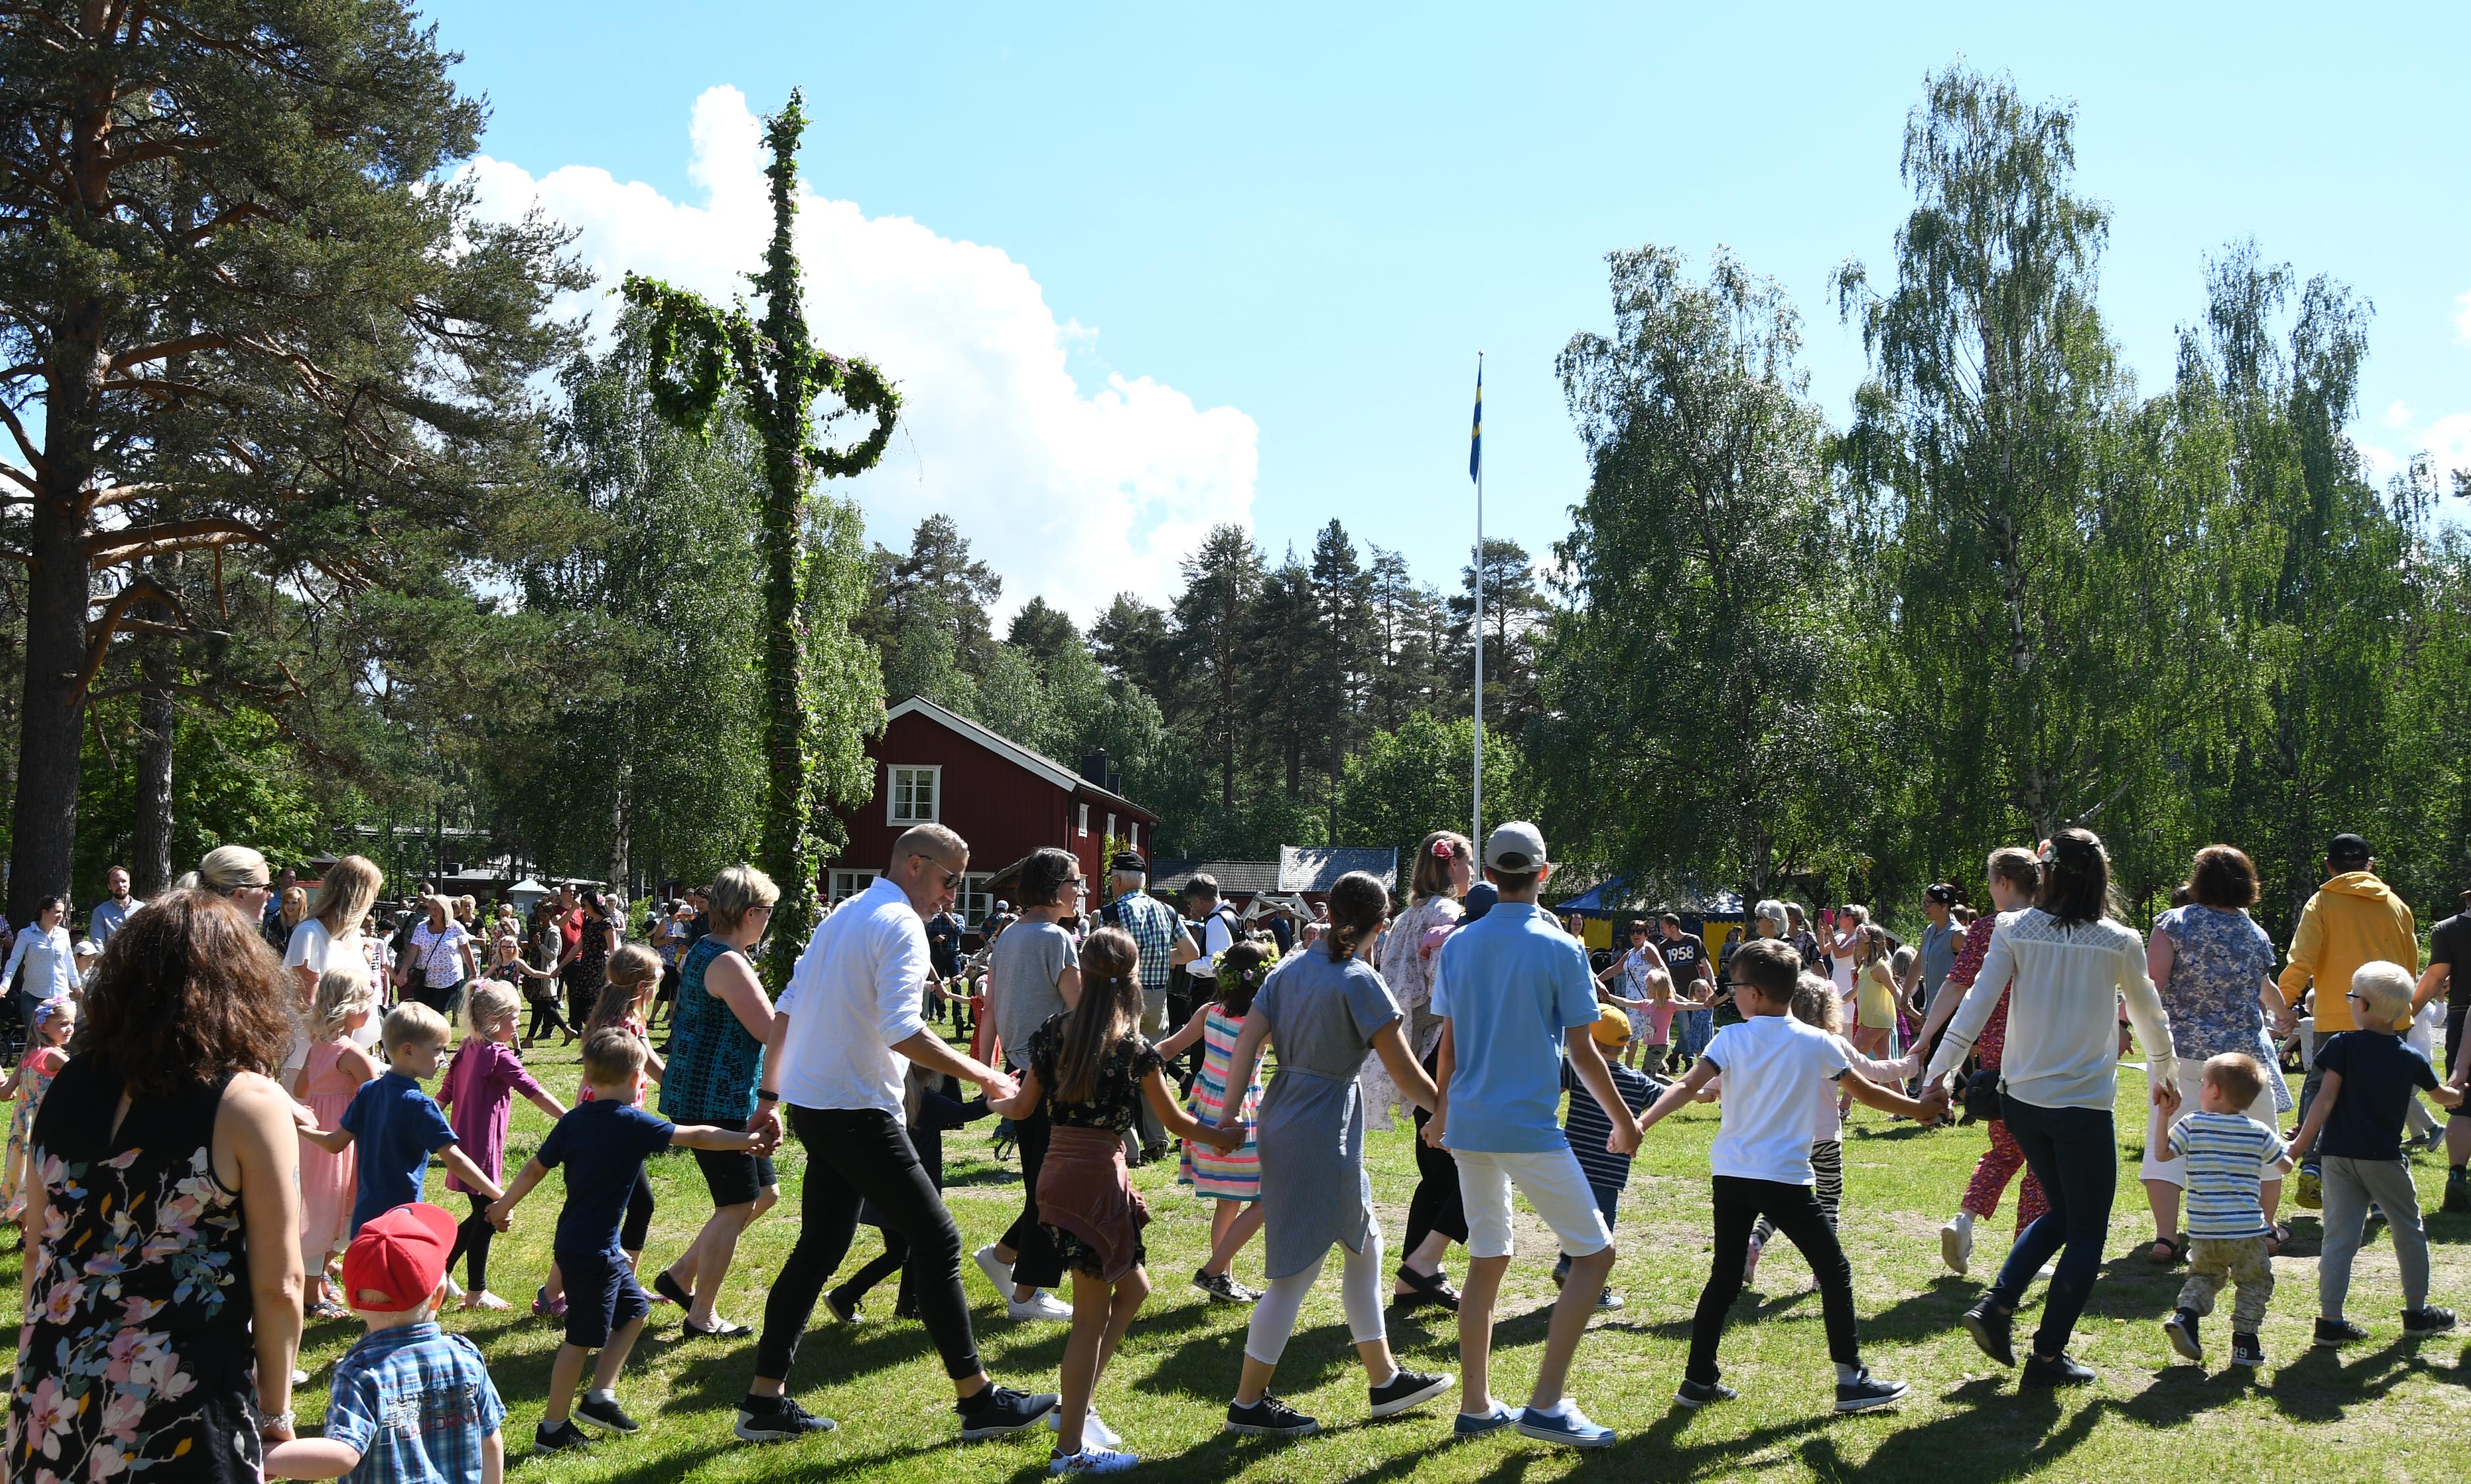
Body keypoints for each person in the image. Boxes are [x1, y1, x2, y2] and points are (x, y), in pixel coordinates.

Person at [735, 824, 1056, 1443]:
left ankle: (763, 1402)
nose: (952, 897)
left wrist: (772, 1097)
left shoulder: (843, 917)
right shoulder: (902, 925)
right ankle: (979, 1401)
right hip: (855, 1109)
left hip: (818, 1107)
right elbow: (902, 1030)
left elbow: (786, 1010)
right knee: (937, 1240)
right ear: (915, 864)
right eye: (949, 881)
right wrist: (988, 1074)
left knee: (820, 1249)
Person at [5, 890, 304, 1483]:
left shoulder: (65, 1086)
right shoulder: (248, 1103)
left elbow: (38, 1247)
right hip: (183, 1397)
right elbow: (281, 1284)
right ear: (244, 985)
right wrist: (275, 1409)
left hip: (53, 1387)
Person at [1920, 829, 2179, 1387]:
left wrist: (1939, 1070)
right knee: (2087, 1230)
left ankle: (1997, 1305)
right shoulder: (2119, 941)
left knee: (2061, 1213)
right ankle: (2047, 1355)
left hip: (2022, 1104)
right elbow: (2150, 1017)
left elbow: (1976, 1004)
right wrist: (2166, 1073)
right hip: (2083, 1107)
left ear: (2050, 873)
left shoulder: (2014, 929)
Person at [989, 927, 1244, 1473]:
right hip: (1096, 1181)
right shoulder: (1132, 1047)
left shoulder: (1052, 1033)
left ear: (1082, 971)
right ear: (1132, 979)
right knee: (1089, 1318)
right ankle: (1070, 1452)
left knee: (1134, 1290)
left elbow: (1020, 1109)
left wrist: (995, 1098)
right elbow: (1174, 1122)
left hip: (1056, 1173)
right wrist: (1224, 1136)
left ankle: (1075, 1408)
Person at [1634, 940, 1920, 1413]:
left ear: (1758, 993)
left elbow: (1687, 1086)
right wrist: (1919, 1109)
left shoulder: (1730, 1039)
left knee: (1723, 1281)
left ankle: (1698, 1381)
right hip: (1784, 1180)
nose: (1731, 993)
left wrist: (1643, 1124)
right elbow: (1868, 1095)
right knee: (1835, 1270)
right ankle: (1852, 1381)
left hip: (1730, 1177)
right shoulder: (1817, 1043)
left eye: (1736, 985)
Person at [1217, 870, 1450, 1440]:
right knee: (1295, 1275)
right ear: (1379, 924)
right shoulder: (1359, 980)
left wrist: (1230, 1113)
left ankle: (1385, 1379)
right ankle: (1248, 1403)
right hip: (1321, 1129)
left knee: (1365, 1245)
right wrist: (1448, 1110)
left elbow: (1248, 1042)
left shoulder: (1290, 967)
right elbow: (1404, 1072)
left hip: (1288, 1116)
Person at [1427, 823, 1636, 1448]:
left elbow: (1450, 1042)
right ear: (1544, 874)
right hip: (1524, 1126)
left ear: (1488, 875)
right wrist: (1624, 1120)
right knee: (1595, 1256)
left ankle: (1477, 1404)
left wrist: (1441, 1112)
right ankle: (1544, 1405)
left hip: (1468, 1123)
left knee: (1488, 1259)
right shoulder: (1561, 946)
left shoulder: (1460, 945)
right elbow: (1585, 1051)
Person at [489, 1029, 771, 1452]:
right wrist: (746, 1141)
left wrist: (502, 1204)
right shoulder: (632, 1123)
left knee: (635, 1311)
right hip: (592, 1252)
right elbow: (696, 1135)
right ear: (639, 1078)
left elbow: (533, 1168)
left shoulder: (573, 1121)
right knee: (580, 1339)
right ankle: (552, 1428)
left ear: (588, 1075)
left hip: (585, 1245)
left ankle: (600, 1396)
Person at [261, 1203, 507, 1484]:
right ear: (439, 1296)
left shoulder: (361, 1373)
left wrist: (259, 1454)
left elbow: (343, 1455)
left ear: (353, 1303)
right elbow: (491, 1440)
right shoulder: (466, 1356)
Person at [2286, 960, 2461, 1347]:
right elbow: (2443, 1098)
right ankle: (2417, 1314)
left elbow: (2324, 1099)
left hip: (2335, 1157)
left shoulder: (2341, 1045)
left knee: (2338, 1238)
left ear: (2361, 1005)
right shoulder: (2410, 1058)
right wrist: (2459, 1091)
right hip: (2383, 1159)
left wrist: (2299, 1147)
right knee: (2408, 1231)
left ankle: (2330, 1320)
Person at [2139, 845, 2290, 1264]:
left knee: (2165, 1137)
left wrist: (2120, 1020)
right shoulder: (2255, 933)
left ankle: (2166, 1238)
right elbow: (2264, 985)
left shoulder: (2174, 923)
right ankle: (2265, 1230)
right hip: (2245, 1058)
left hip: (2182, 1054)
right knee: (2263, 1138)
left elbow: (2153, 982)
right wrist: (2284, 1016)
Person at [653, 864, 786, 1337]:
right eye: (769, 911)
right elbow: (771, 1031)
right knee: (734, 1204)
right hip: (716, 1101)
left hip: (719, 1096)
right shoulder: (727, 962)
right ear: (751, 913)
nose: (770, 918)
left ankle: (680, 1276)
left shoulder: (711, 951)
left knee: (764, 1194)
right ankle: (701, 1313)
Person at [1912, 848, 2048, 1276]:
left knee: (2003, 1151)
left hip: (1995, 1058)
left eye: (1991, 882)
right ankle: (2027, 1251)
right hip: (2044, 1054)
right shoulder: (2055, 929)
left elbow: (1955, 987)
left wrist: (1926, 1036)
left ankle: (1964, 1221)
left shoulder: (1988, 929)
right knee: (2044, 1159)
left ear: (2004, 883)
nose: (1989, 891)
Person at [1743, 975, 1921, 1287]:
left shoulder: (1781, 1043)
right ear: (1828, 1009)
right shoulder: (1833, 1043)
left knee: (1783, 1201)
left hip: (1788, 1139)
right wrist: (1909, 1066)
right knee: (1828, 1202)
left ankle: (1754, 1244)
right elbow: (1874, 1072)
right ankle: (1821, 1273)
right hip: (1826, 1139)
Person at [975, 848, 1088, 1324]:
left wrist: (986, 1075)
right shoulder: (1057, 941)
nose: (1080, 890)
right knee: (1054, 1192)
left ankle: (1002, 1257)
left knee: (1044, 1186)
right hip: (1054, 1080)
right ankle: (1026, 1296)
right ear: (1052, 887)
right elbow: (1084, 1017)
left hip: (1019, 1077)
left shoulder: (1008, 936)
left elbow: (991, 1016)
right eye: (1075, 882)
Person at [2277, 831, 2416, 1205]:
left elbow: (2301, 959)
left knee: (2320, 1088)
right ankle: (2379, 1191)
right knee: (2382, 1098)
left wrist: (2284, 1002)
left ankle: (2312, 1165)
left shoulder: (2322, 902)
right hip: (2390, 1017)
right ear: (2370, 865)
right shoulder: (2396, 905)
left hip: (2337, 1013)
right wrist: (2406, 1011)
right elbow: (2410, 964)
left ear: (2329, 865)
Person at [300, 1002, 504, 1238]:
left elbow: (334, 1143)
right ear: (409, 1051)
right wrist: (499, 1196)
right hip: (401, 1223)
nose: (443, 1059)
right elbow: (456, 1161)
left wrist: (300, 1127)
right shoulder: (421, 1106)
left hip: (365, 1222)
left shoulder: (368, 1091)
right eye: (438, 1050)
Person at [1377, 830, 1473, 1315]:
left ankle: (1410, 1282)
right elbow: (1448, 987)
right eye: (1469, 862)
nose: (1473, 873)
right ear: (1451, 865)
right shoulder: (1449, 916)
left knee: (1435, 1172)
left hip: (1413, 1052)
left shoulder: (1407, 917)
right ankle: (1421, 1268)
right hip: (1443, 1048)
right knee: (1470, 1168)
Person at [1155, 937, 1274, 1302]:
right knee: (1265, 1194)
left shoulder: (1209, 1012)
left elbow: (1170, 1048)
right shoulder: (1265, 1023)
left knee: (1228, 1200)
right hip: (1242, 1115)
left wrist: (1131, 1059)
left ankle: (1221, 1277)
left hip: (1205, 1111)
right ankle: (1218, 1273)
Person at [438, 983, 567, 1312]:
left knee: (479, 1214)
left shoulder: (468, 1047)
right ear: (495, 1020)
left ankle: (441, 1269)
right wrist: (569, 1118)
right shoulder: (497, 1055)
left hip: (463, 1146)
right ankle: (476, 1293)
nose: (519, 1023)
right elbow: (533, 1091)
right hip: (481, 1151)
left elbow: (446, 1090)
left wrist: (432, 1110)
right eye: (514, 1017)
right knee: (487, 1217)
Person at [829, 1061, 990, 1323]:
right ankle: (846, 1296)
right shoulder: (926, 1101)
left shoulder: (888, 1099)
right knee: (904, 1252)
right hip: (910, 1192)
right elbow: (965, 1113)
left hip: (882, 1189)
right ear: (931, 1075)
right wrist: (993, 1097)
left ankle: (906, 1306)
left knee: (907, 1250)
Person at [2159, 1054, 2292, 1371]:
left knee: (2205, 1275)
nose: (2202, 1089)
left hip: (2204, 1230)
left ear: (2215, 1091)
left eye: (2204, 1084)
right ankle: (2245, 1344)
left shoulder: (2192, 1123)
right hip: (2246, 1231)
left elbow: (2163, 1154)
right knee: (2254, 1283)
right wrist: (2287, 1145)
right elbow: (2284, 1166)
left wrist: (2164, 1116)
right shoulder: (2257, 1130)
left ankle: (2187, 1315)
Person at [1552, 1006, 1659, 1309]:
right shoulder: (1637, 1081)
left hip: (1573, 1165)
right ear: (1624, 1044)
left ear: (1590, 1041)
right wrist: (1705, 1091)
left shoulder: (1574, 1067)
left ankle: (1568, 1263)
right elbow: (1671, 1094)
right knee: (1601, 1230)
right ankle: (1590, 1289)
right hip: (1609, 1172)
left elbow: (1548, 1089)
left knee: (1577, 1219)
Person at [292, 969, 382, 1318]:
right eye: (367, 1004)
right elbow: (377, 1098)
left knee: (318, 1208)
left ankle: (316, 1273)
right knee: (339, 1210)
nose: (371, 1011)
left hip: (314, 1136)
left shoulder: (320, 1046)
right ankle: (312, 1296)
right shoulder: (351, 1053)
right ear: (350, 1008)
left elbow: (301, 1090)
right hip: (341, 1143)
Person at [1097, 852, 1200, 1143]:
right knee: (1155, 1068)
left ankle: (1129, 1144)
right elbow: (1190, 953)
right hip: (1157, 997)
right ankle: (1157, 1139)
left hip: (1122, 997)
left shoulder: (1109, 914)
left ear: (1117, 881)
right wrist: (1158, 959)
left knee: (1120, 1069)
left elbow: (1100, 961)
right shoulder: (1166, 910)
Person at [0, 995, 74, 1223]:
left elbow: (4, 1094)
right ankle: (30, 1230)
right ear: (43, 1025)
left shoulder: (29, 1055)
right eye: (62, 1023)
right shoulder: (55, 1057)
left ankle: (24, 1223)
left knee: (26, 1172)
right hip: (46, 1125)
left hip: (24, 1126)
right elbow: (82, 1084)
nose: (69, 1028)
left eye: (72, 1023)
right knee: (46, 1174)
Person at [287, 853, 383, 1013]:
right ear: (357, 896)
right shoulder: (309, 934)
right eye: (372, 896)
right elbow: (306, 1004)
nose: (372, 903)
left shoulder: (354, 936)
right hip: (322, 1037)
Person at [2426, 889, 2471, 1211]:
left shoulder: (2447, 929)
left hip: (2462, 1015)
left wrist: (2409, 1009)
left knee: (2462, 1098)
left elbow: (2436, 977)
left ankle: (2457, 1174)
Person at [0, 895, 74, 1035]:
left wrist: (77, 986)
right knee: (34, 1039)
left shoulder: (63, 934)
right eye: (57, 912)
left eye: (63, 913)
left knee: (58, 1038)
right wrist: (4, 985)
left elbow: (69, 962)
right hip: (33, 996)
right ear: (44, 912)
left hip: (59, 994)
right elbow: (14, 961)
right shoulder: (26, 934)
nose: (60, 916)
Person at [399, 894, 479, 1021]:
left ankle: (438, 1038)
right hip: (425, 979)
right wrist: (403, 971)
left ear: (445, 909)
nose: (433, 912)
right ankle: (425, 1037)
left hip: (449, 978)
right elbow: (412, 952)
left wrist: (474, 973)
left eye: (437, 909)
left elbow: (467, 952)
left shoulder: (456, 927)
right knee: (423, 1013)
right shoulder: (421, 928)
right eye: (431, 908)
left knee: (438, 1012)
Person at [1657, 915, 1714, 1069]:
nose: (1661, 931)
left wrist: (1713, 983)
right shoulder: (1663, 947)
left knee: (1693, 1026)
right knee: (1685, 1027)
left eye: (1663, 927)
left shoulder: (1693, 940)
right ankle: (1689, 1061)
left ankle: (1675, 1056)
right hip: (1676, 993)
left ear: (1673, 927)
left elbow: (1705, 963)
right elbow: (1662, 971)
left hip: (1694, 992)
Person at [88, 864, 143, 949]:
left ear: (129, 884)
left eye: (123, 881)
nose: (120, 885)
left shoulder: (142, 909)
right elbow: (97, 944)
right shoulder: (101, 912)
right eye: (115, 882)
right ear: (109, 886)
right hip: (112, 961)